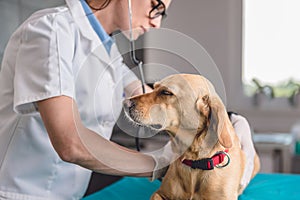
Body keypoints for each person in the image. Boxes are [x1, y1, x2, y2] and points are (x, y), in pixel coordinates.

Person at [0, 0, 256, 199]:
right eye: (157, 8)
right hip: (19, 192)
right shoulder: (51, 31)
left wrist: (229, 119)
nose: (157, 23)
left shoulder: (108, 52)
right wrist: (159, 164)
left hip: (70, 192)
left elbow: (154, 97)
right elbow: (70, 143)